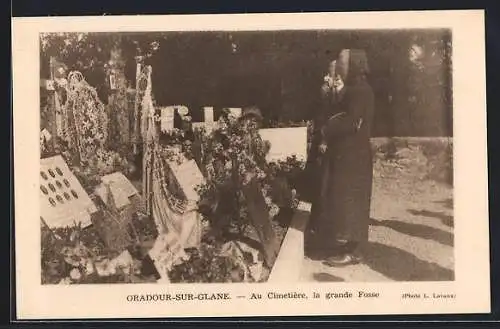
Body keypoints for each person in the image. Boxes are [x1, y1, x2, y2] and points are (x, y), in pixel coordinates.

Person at [307, 49, 375, 267]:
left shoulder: (360, 91)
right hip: (348, 153)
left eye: (344, 63)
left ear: (354, 65)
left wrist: (328, 128)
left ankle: (354, 251)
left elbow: (352, 122)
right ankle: (346, 246)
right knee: (344, 199)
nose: (340, 67)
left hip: (353, 155)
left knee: (352, 201)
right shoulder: (355, 89)